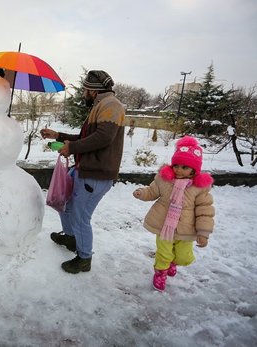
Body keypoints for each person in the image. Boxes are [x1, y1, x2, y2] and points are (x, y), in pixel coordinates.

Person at [40, 70, 125, 274]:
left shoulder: (111, 105)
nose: (83, 93)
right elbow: (86, 136)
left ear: (93, 91)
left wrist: (72, 148)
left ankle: (84, 258)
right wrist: (59, 135)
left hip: (96, 174)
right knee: (67, 206)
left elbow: (103, 138)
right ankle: (71, 238)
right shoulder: (101, 105)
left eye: (86, 90)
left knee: (80, 218)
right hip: (85, 170)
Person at [133, 136, 215, 292]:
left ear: (194, 170)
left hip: (186, 228)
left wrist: (203, 232)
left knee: (184, 257)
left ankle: (173, 263)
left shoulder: (199, 188)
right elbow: (152, 191)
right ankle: (160, 273)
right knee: (163, 253)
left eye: (185, 167)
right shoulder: (164, 180)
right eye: (176, 165)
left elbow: (205, 212)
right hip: (164, 226)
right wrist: (142, 193)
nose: (179, 170)